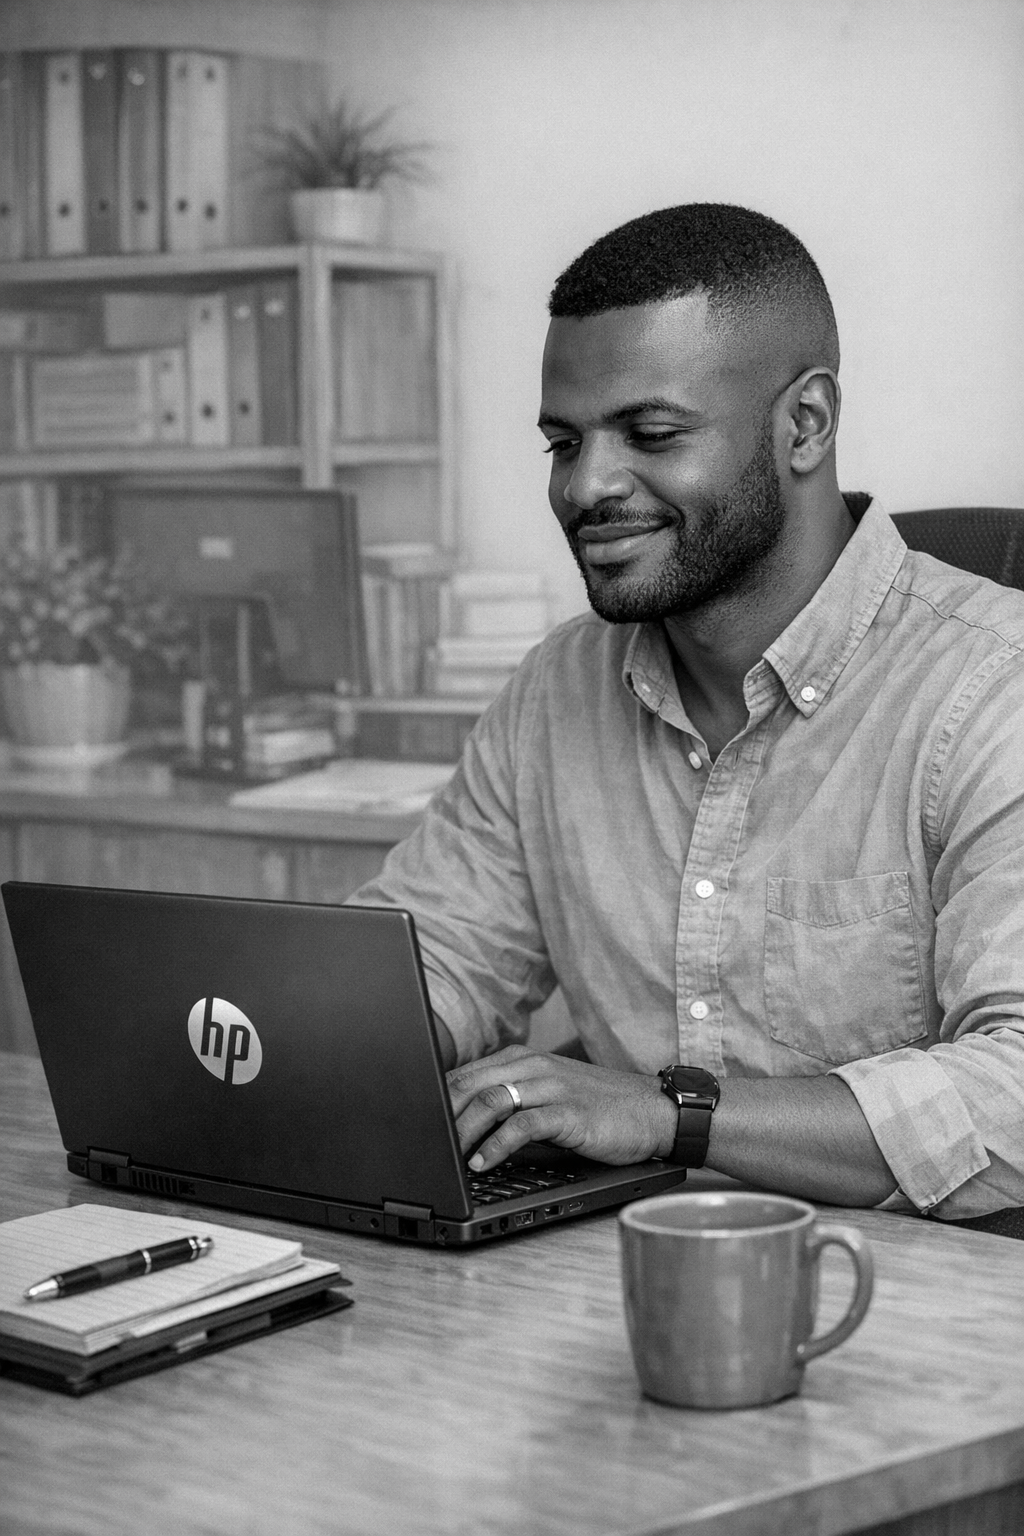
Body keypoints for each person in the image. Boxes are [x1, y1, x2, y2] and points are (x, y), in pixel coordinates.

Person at [352, 203, 1024, 1221]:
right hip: (619, 1272)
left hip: (934, 1315)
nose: (586, 487)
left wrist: (673, 1115)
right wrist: (304, 1024)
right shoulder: (556, 691)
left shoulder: (992, 687)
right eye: (561, 444)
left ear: (804, 424)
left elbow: (1015, 1098)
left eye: (650, 435)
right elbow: (443, 955)